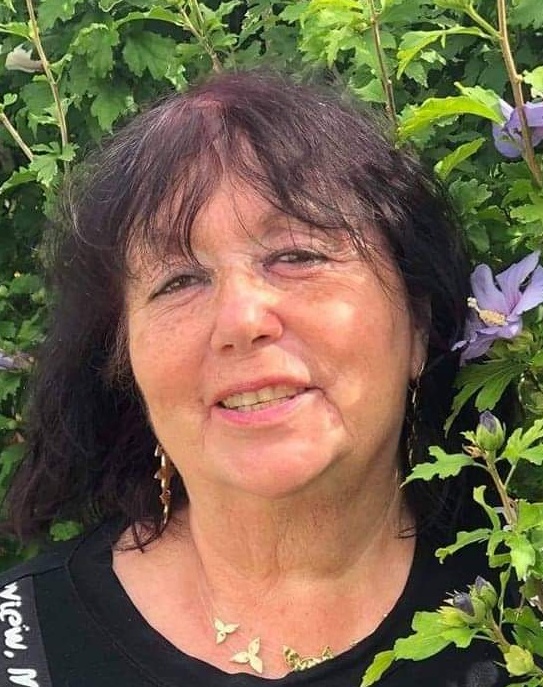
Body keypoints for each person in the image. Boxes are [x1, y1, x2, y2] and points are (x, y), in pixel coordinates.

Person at [0, 70, 509, 687]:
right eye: (179, 281)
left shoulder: (521, 611)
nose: (241, 320)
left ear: (419, 325)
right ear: (124, 361)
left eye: (297, 255)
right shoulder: (22, 648)